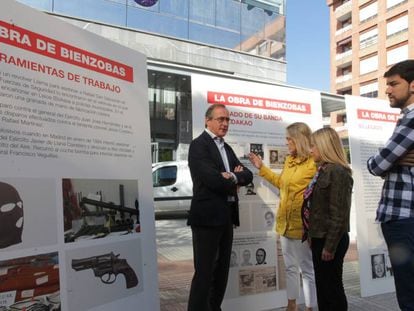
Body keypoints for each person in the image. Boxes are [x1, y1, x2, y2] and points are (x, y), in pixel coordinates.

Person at [187, 103, 253, 311]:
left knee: (221, 272)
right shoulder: (199, 145)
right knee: (205, 274)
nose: (225, 123)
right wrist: (234, 178)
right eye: (220, 119)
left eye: (227, 120)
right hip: (206, 219)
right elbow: (212, 180)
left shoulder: (226, 147)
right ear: (207, 120)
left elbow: (248, 175)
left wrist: (232, 175)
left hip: (226, 217)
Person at [249, 122, 317, 311]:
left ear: (299, 139)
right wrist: (261, 168)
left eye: (289, 138)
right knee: (290, 268)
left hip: (303, 227)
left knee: (307, 269)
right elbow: (281, 183)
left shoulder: (313, 163)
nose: (286, 142)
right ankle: (292, 305)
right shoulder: (289, 160)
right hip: (285, 225)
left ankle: (311, 307)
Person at [367, 59, 414, 310]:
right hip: (405, 219)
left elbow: (377, 165)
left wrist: (388, 161)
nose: (387, 90)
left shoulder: (411, 119)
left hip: (403, 219)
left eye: (394, 84)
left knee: (408, 293)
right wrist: (393, 160)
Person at [303, 127, 353, 311]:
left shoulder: (338, 172)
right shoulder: (323, 170)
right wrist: (311, 235)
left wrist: (329, 246)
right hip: (320, 237)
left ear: (324, 146)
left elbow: (339, 214)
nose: (310, 150)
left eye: (313, 146)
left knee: (332, 290)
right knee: (323, 289)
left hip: (331, 240)